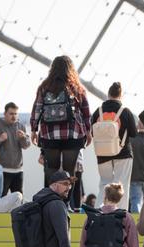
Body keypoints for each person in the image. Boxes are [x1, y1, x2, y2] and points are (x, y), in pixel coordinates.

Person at [30, 55, 92, 185]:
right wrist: (88, 131)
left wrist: (34, 130)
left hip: (49, 135)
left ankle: (50, 197)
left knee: (51, 170)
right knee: (69, 171)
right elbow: (86, 112)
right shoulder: (76, 87)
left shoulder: (44, 87)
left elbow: (37, 109)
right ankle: (67, 197)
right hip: (73, 134)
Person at [92, 82, 139, 210]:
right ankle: (120, 213)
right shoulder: (125, 112)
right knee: (121, 185)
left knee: (104, 184)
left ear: (108, 94)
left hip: (102, 154)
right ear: (121, 95)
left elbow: (92, 132)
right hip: (123, 153)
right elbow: (133, 133)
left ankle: (98, 211)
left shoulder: (98, 112)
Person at [0, 102, 31, 197]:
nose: (14, 116)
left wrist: (23, 138)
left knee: (18, 200)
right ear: (5, 114)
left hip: (18, 170)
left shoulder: (21, 126)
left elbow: (26, 145)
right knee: (0, 198)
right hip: (2, 170)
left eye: (15, 114)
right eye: (11, 114)